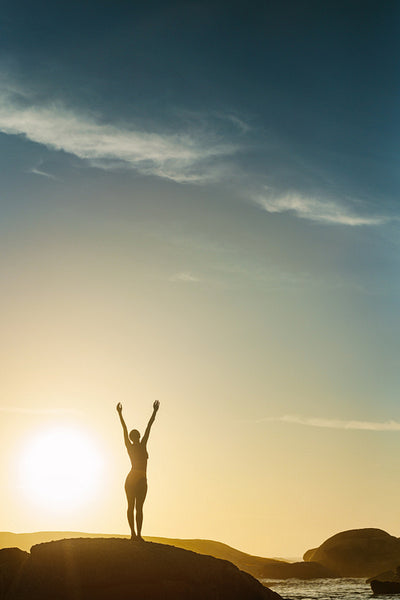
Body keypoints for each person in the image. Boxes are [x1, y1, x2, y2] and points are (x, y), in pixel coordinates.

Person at [116, 400, 160, 541]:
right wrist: (154, 411)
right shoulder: (142, 445)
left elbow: (125, 428)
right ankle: (137, 535)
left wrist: (120, 414)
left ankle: (134, 534)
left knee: (131, 506)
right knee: (138, 508)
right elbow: (149, 426)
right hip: (140, 478)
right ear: (139, 437)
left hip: (132, 478)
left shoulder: (130, 445)